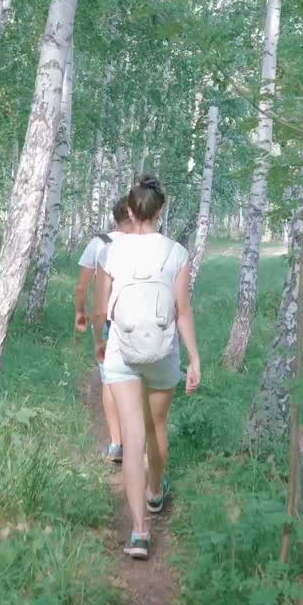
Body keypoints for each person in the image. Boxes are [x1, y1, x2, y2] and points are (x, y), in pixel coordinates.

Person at [93, 175, 201, 560]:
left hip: (123, 352)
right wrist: (195, 358)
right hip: (162, 352)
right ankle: (156, 492)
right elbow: (182, 310)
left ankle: (139, 533)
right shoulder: (176, 253)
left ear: (130, 209)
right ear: (160, 211)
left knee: (133, 437)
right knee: (157, 427)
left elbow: (102, 306)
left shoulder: (111, 250)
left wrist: (102, 342)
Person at [75, 197, 134, 463]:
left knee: (110, 380)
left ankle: (116, 445)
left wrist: (80, 312)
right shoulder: (148, 244)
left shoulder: (101, 242)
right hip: (142, 323)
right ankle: (140, 443)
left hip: (109, 321)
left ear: (115, 217)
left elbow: (82, 287)